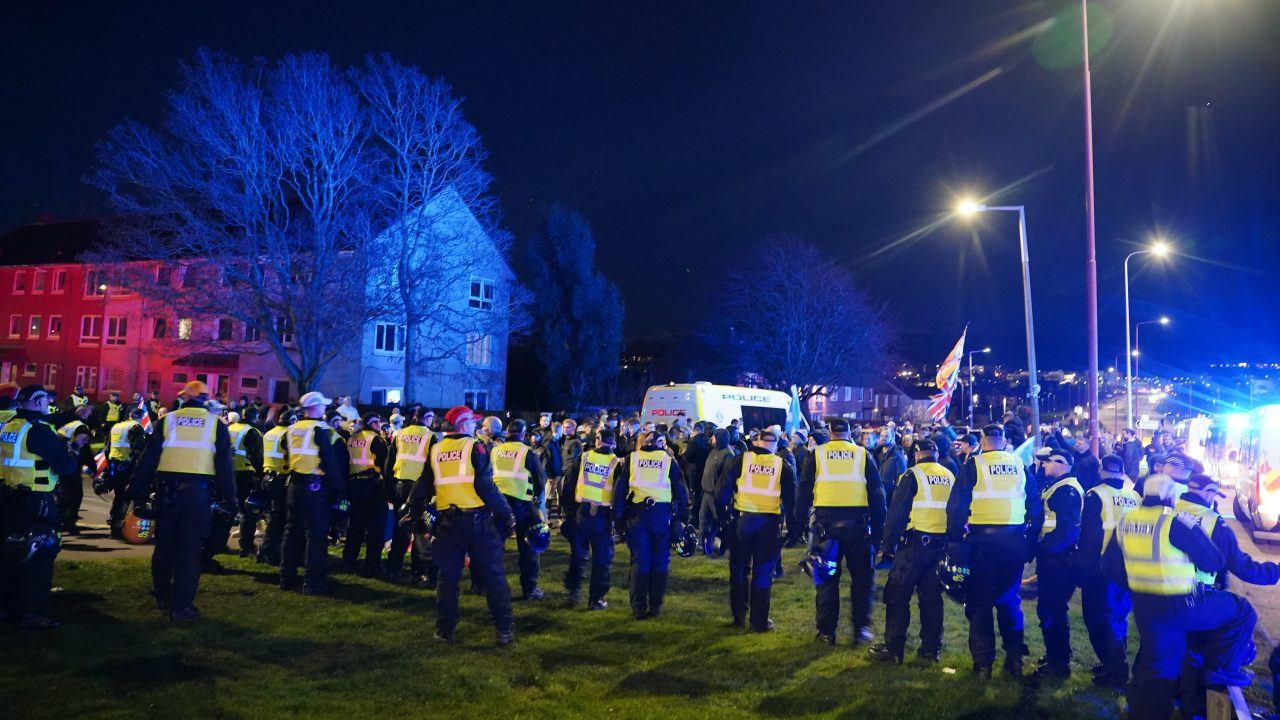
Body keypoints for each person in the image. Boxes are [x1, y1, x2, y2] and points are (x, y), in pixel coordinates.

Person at [1105, 474, 1255, 720]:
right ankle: (1221, 669)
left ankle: (1146, 714)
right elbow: (1214, 561)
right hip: (1182, 604)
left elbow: (1109, 566)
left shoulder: (1126, 521)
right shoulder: (1175, 522)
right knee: (1242, 610)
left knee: (1159, 668)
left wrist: (1139, 584)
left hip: (1145, 607)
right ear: (1171, 497)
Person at [128, 381, 237, 621]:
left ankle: (161, 593)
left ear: (184, 397)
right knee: (189, 549)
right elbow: (225, 467)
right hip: (197, 495)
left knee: (165, 545)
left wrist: (135, 490)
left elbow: (149, 459)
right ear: (205, 399)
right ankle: (182, 606)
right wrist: (231, 499)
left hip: (167, 494)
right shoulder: (215, 425)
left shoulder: (168, 420)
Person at [407, 405, 516, 646]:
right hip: (477, 522)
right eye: (473, 423)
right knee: (494, 576)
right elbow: (486, 486)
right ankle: (504, 629)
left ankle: (445, 631)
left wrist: (418, 515)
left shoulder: (435, 449)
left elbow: (423, 486)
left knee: (448, 579)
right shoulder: (475, 447)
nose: (476, 427)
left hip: (447, 524)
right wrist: (507, 513)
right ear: (464, 426)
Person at [1175, 473, 1280, 718]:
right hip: (1199, 596)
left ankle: (1189, 706)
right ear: (1209, 493)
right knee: (1243, 614)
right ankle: (1219, 676)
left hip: (1164, 595)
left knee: (1188, 654)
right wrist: (1275, 572)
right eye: (1213, 493)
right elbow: (1242, 566)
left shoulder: (1170, 510)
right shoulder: (1213, 521)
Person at [945, 423, 1042, 679]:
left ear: (983, 440)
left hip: (982, 543)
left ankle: (983, 663)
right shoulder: (1019, 464)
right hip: (1013, 542)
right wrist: (1029, 542)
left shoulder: (974, 465)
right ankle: (1014, 659)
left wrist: (955, 539)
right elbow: (1035, 505)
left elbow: (957, 505)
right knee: (1010, 601)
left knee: (980, 602)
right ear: (1003, 440)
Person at [796, 417, 885, 645]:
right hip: (858, 526)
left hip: (826, 527)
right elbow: (877, 494)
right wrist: (878, 530)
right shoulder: (863, 454)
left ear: (829, 431)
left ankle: (827, 633)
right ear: (849, 432)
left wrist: (798, 523)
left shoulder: (817, 454)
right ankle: (861, 630)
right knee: (862, 580)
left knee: (826, 580)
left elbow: (804, 491)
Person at [0, 385, 82, 628]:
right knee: (39, 556)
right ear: (36, 401)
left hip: (10, 498)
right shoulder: (39, 431)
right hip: (36, 502)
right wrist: (74, 449)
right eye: (45, 400)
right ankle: (34, 614)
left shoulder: (12, 426)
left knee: (11, 555)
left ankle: (7, 607)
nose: (48, 404)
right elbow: (66, 467)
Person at [869, 437, 954, 663]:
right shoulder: (949, 475)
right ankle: (930, 649)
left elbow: (897, 513)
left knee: (897, 594)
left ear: (916, 454)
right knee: (932, 599)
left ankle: (894, 649)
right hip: (941, 545)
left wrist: (886, 545)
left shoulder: (912, 475)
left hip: (915, 545)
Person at [717, 427, 797, 632]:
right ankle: (758, 622)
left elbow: (722, 491)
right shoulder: (782, 466)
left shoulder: (741, 460)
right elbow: (792, 501)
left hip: (742, 522)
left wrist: (724, 516)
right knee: (763, 574)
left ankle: (738, 616)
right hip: (769, 526)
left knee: (739, 571)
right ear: (776, 444)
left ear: (756, 442)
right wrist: (793, 530)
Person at [1077, 454, 1141, 690]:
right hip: (1130, 568)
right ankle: (1112, 664)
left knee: (1099, 621)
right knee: (1118, 619)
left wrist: (1082, 571)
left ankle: (1117, 672)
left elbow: (1089, 538)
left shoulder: (1096, 495)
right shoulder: (1135, 496)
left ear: (1103, 471)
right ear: (1122, 471)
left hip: (1102, 570)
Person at [279, 392, 347, 595]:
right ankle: (313, 582)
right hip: (314, 488)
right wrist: (339, 490)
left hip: (294, 486)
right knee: (316, 536)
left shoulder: (291, 430)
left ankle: (286, 577)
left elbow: (286, 450)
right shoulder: (320, 429)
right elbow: (329, 461)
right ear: (315, 407)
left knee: (291, 532)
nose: (325, 408)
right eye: (323, 406)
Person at [616, 430, 689, 619]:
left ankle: (638, 608)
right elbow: (681, 490)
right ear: (659, 444)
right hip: (661, 517)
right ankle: (656, 606)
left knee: (640, 561)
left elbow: (619, 490)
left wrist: (618, 519)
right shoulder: (668, 461)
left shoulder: (632, 459)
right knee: (660, 561)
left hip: (637, 516)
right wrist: (683, 518)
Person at [1033, 448, 1083, 678]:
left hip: (1058, 560)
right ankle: (1056, 655)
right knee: (1051, 609)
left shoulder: (1066, 490)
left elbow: (1068, 531)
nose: (1043, 465)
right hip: (1055, 558)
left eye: (1048, 462)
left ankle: (1058, 663)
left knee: (1052, 610)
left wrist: (1044, 548)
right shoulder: (1060, 486)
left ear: (1061, 464)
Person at [560, 430, 622, 609]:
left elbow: (568, 485)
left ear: (598, 441)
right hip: (602, 516)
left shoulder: (583, 457)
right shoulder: (616, 463)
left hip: (581, 513)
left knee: (578, 556)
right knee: (602, 558)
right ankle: (596, 599)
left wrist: (569, 511)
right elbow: (618, 494)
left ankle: (574, 593)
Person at [491, 419, 548, 600]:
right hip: (522, 504)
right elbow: (541, 479)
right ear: (523, 434)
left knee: (493, 546)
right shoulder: (526, 453)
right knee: (528, 547)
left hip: (498, 503)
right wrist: (536, 499)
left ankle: (488, 586)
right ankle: (529, 589)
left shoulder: (495, 450)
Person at [384, 407, 436, 585]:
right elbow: (433, 466)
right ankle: (419, 573)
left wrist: (389, 489)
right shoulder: (430, 436)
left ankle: (393, 569)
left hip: (400, 485)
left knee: (401, 529)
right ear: (427, 418)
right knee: (421, 530)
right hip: (420, 488)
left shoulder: (399, 434)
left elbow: (389, 463)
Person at [343, 415, 389, 577]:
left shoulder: (351, 438)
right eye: (377, 422)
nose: (379, 425)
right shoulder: (376, 439)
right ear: (372, 424)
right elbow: (385, 465)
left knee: (355, 526)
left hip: (354, 485)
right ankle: (372, 565)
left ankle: (348, 561)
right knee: (376, 527)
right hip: (373, 486)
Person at [223, 411, 264, 558]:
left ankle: (219, 543)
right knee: (249, 512)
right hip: (245, 474)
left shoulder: (229, 428)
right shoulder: (252, 432)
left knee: (226, 510)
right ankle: (246, 546)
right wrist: (261, 476)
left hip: (227, 473)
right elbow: (257, 456)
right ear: (255, 418)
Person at [104, 407, 148, 539]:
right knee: (126, 497)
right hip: (127, 466)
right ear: (140, 417)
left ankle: (114, 523)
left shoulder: (117, 426)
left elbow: (107, 446)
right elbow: (138, 449)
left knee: (119, 496)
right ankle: (120, 528)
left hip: (114, 465)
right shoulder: (136, 427)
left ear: (130, 415)